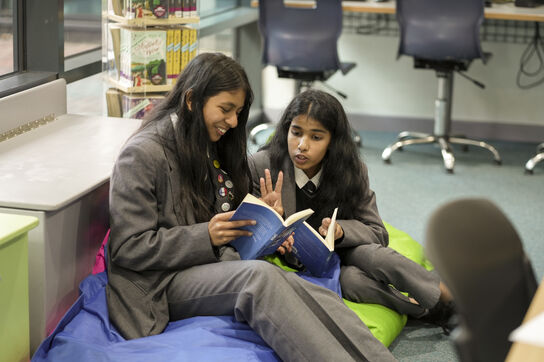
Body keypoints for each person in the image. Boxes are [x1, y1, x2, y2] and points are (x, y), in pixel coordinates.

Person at [106, 52, 397, 361]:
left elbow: (225, 233)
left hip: (208, 266)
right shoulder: (141, 155)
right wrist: (207, 235)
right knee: (260, 279)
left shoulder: (204, 144)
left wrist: (265, 222)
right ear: (191, 100)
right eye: (226, 109)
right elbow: (128, 247)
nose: (233, 122)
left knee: (311, 291)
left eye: (238, 112)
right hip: (161, 284)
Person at [248, 89, 455, 332]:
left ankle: (449, 296)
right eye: (296, 133)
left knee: (376, 256)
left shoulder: (352, 170)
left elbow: (378, 232)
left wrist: (341, 231)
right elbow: (246, 241)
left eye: (316, 137)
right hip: (295, 263)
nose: (301, 146)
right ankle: (427, 312)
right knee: (354, 283)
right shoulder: (262, 166)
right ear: (286, 130)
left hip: (344, 252)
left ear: (333, 141)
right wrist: (270, 224)